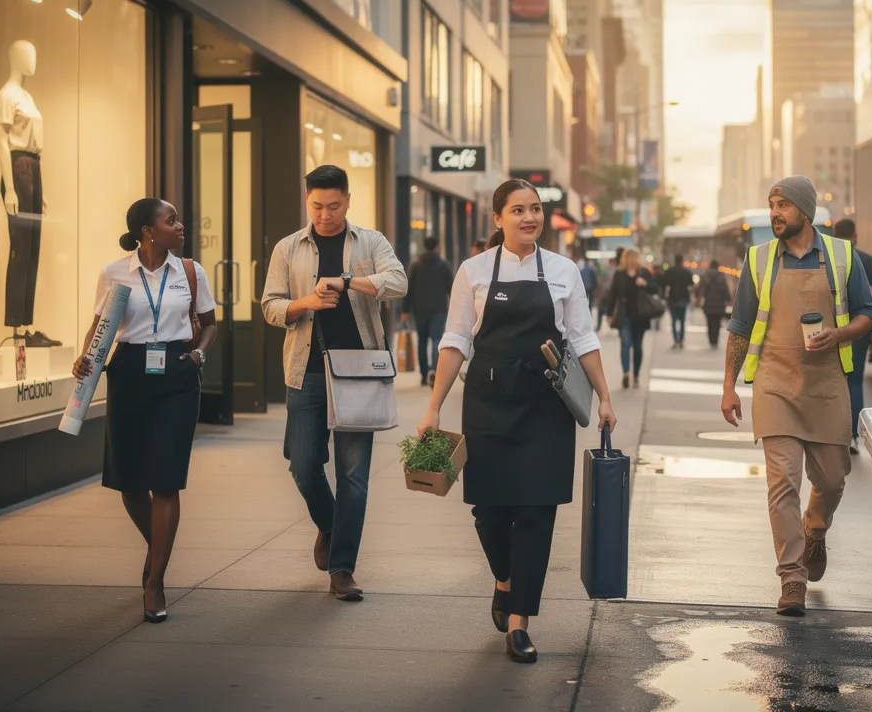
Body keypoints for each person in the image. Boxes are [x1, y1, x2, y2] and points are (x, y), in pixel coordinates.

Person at [417, 178, 616, 664]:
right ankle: (505, 580)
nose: (530, 218)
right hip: (488, 402)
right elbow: (455, 340)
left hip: (546, 407)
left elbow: (583, 339)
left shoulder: (565, 271)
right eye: (519, 210)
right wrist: (434, 406)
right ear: (498, 218)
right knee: (488, 511)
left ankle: (519, 621)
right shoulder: (474, 270)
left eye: (535, 209)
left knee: (535, 513)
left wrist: (605, 398)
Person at [720, 176, 872, 618]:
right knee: (782, 484)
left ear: (805, 212)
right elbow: (740, 327)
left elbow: (867, 313)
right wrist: (729, 385)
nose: (775, 213)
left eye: (784, 205)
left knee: (832, 478)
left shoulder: (843, 256)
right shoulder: (758, 259)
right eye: (772, 204)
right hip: (774, 382)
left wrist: (839, 334)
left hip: (827, 383)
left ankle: (816, 528)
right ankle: (791, 577)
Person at [261, 165, 407, 601]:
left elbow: (398, 282)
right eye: (317, 206)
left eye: (334, 206)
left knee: (353, 476)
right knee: (303, 465)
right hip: (305, 371)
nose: (325, 215)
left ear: (347, 201)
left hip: (359, 371)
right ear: (307, 200)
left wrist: (349, 282)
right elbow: (270, 306)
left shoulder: (371, 242)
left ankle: (343, 569)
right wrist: (306, 301)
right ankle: (329, 525)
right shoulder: (288, 248)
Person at [72, 197, 218, 624]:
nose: (180, 225)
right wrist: (85, 359)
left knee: (166, 481)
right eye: (171, 220)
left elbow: (209, 324)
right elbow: (99, 327)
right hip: (129, 372)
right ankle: (158, 548)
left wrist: (198, 356)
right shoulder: (114, 272)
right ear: (148, 231)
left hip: (177, 374)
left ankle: (155, 582)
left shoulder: (190, 271)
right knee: (130, 482)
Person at [832, 218, 872, 452]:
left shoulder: (829, 257)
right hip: (858, 328)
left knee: (833, 380)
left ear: (834, 234)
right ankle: (852, 436)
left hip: (833, 329)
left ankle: (832, 434)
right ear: (854, 235)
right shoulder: (865, 259)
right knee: (854, 381)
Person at [403, 236, 453, 386]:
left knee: (422, 340)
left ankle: (424, 375)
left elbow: (408, 289)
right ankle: (434, 370)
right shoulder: (444, 265)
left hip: (420, 309)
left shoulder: (415, 265)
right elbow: (451, 288)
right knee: (437, 339)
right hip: (439, 308)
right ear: (437, 247)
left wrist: (405, 310)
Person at [607, 248, 659, 388]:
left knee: (638, 346)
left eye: (634, 257)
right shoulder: (619, 274)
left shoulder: (644, 272)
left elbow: (656, 288)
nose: (631, 260)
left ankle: (636, 375)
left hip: (640, 315)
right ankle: (625, 373)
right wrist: (609, 313)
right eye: (629, 258)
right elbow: (613, 294)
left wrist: (645, 283)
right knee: (625, 343)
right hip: (624, 315)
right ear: (625, 259)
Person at [695, 260, 731, 349]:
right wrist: (728, 298)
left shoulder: (705, 275)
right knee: (717, 324)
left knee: (709, 323)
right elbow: (725, 289)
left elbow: (700, 288)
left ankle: (711, 340)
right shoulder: (721, 276)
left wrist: (698, 297)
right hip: (719, 304)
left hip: (708, 303)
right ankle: (715, 340)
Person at [662, 254, 695, 350]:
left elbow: (665, 284)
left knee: (673, 321)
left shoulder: (669, 271)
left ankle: (675, 340)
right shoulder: (686, 272)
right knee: (682, 320)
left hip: (672, 299)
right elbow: (691, 285)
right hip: (683, 298)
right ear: (682, 260)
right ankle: (681, 340)